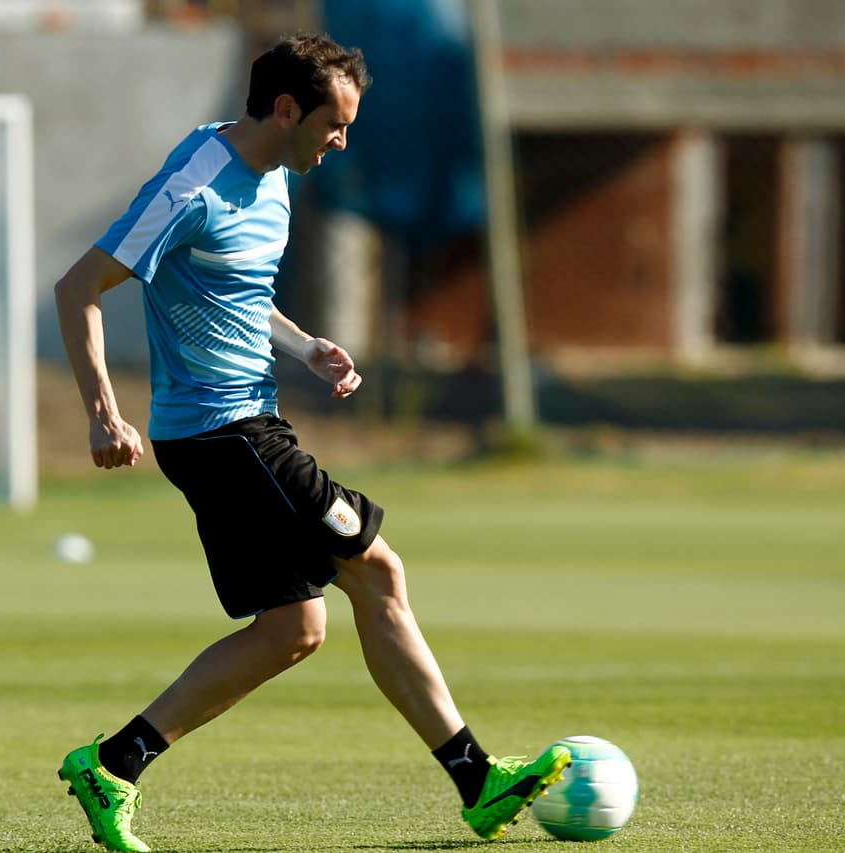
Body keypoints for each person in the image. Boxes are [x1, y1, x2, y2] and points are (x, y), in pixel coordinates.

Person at [53, 32, 570, 853]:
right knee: (379, 569)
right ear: (287, 108)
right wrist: (102, 414)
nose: (342, 141)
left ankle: (113, 763)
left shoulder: (277, 176)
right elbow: (78, 286)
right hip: (225, 431)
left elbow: (235, 291)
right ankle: (477, 779)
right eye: (336, 123)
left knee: (293, 628)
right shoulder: (193, 184)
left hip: (241, 423)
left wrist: (306, 347)